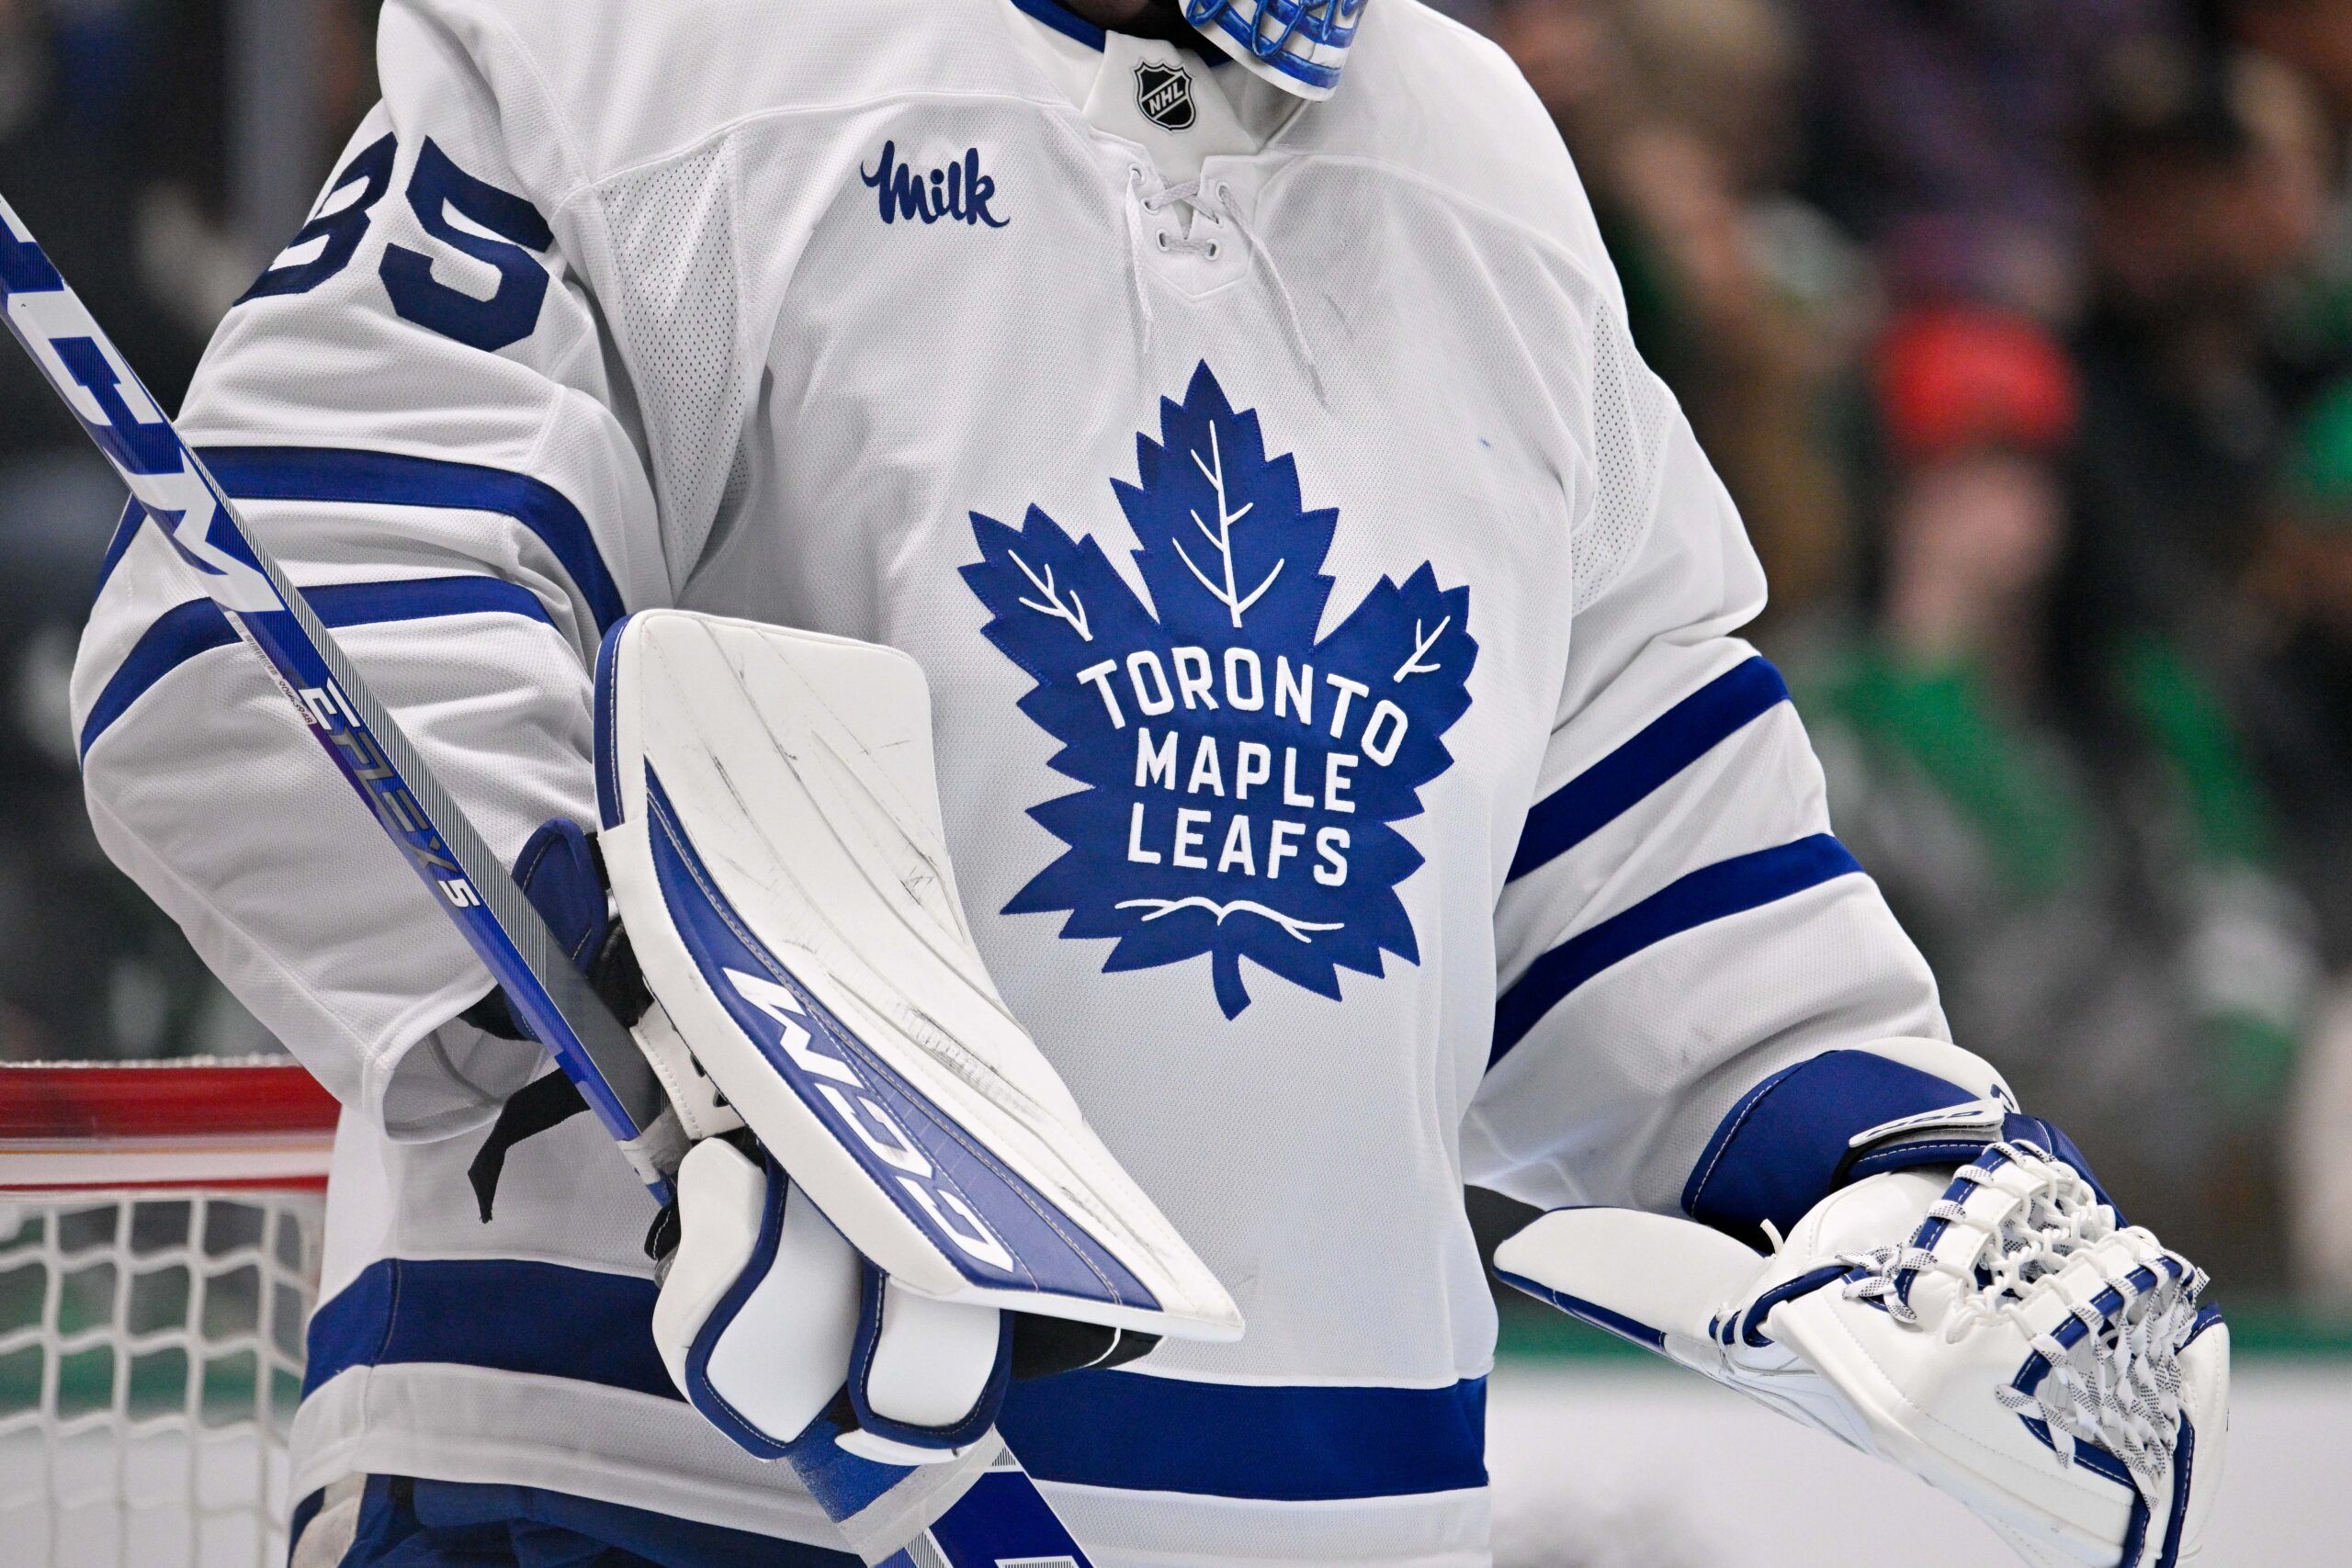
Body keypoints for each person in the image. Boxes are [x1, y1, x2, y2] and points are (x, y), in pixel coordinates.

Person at [65, 2, 2220, 1565]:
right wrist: (697, 1044)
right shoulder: (653, 36)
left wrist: (1884, 1170)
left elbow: (1627, 837)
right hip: (653, 1488)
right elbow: (276, 631)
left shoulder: (1469, 159)